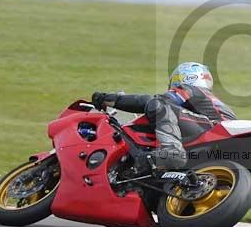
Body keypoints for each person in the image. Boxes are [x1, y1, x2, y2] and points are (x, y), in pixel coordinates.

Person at [92, 62, 236, 170]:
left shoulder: (190, 89)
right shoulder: (208, 101)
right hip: (223, 142)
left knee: (158, 103)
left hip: (214, 130)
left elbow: (151, 101)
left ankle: (171, 149)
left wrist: (109, 99)